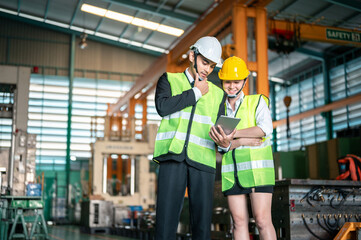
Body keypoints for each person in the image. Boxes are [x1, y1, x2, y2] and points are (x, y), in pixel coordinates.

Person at [152, 36, 227, 240]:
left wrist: (224, 145)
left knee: (202, 226)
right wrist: (195, 93)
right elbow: (163, 107)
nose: (207, 70)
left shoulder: (218, 95)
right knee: (166, 223)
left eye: (212, 66)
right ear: (192, 56)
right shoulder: (169, 80)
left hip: (203, 162)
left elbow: (222, 134)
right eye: (205, 62)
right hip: (173, 158)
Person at [209, 56, 277, 240]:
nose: (232, 86)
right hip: (232, 175)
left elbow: (264, 129)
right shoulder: (219, 109)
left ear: (245, 81)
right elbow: (221, 146)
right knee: (238, 222)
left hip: (258, 172)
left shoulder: (257, 102)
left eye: (237, 82)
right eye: (228, 81)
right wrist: (242, 141)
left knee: (262, 221)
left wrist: (234, 135)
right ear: (222, 81)